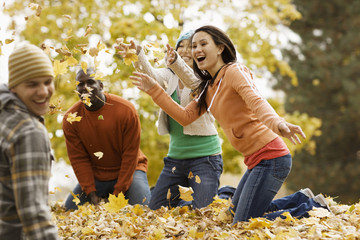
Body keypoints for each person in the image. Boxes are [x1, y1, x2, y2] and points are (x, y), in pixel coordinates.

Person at [129, 25, 330, 223]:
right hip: (255, 161)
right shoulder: (208, 88)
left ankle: (314, 208)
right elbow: (184, 117)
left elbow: (257, 101)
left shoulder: (234, 71)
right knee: (235, 215)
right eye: (194, 46)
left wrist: (278, 123)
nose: (196, 50)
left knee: (243, 222)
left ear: (220, 48)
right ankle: (301, 199)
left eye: (203, 44)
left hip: (272, 157)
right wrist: (155, 91)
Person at [119, 30, 223, 210]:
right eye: (180, 46)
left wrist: (177, 64)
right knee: (156, 211)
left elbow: (192, 84)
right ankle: (186, 203)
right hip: (176, 158)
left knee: (203, 213)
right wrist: (137, 54)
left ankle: (225, 193)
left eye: (190, 46)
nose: (184, 50)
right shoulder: (170, 76)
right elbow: (151, 75)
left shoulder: (206, 79)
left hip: (205, 158)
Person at [62, 68, 151, 210]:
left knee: (142, 208)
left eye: (91, 82)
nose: (85, 88)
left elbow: (130, 156)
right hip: (96, 177)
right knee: (69, 209)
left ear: (101, 86)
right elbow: (78, 159)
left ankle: (148, 191)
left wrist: (117, 194)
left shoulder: (126, 110)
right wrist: (91, 193)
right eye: (80, 84)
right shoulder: (71, 118)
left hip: (131, 171)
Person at [0, 43, 60, 239]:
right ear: (14, 86)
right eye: (32, 84)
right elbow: (34, 215)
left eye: (48, 81)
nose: (43, 92)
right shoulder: (28, 131)